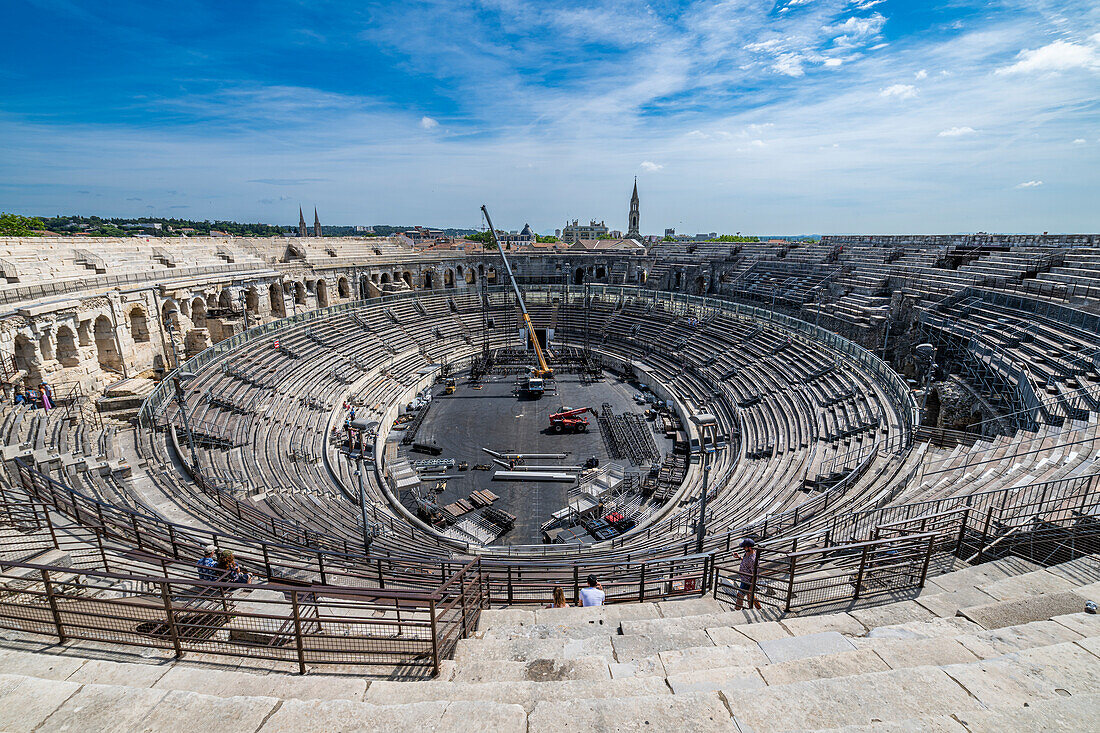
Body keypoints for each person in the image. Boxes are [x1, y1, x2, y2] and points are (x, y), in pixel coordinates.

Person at [734, 538, 762, 611]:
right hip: (744, 579)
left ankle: (737, 610)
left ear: (749, 547)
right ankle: (755, 609)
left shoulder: (753, 559)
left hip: (747, 581)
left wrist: (751, 586)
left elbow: (755, 574)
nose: (743, 548)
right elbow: (746, 561)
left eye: (744, 547)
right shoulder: (748, 553)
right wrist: (739, 557)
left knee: (740, 595)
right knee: (750, 596)